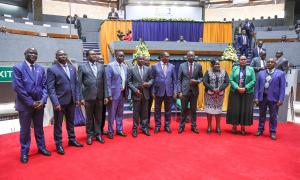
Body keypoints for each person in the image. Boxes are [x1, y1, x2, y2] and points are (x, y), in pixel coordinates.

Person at [12, 48, 51, 163]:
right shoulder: (18, 68)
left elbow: (45, 86)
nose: (33, 55)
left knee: (39, 128)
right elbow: (18, 88)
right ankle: (24, 152)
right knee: (25, 130)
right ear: (25, 54)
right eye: (31, 53)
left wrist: (43, 100)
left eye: (35, 53)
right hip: (25, 106)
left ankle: (42, 148)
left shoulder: (40, 68)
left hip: (39, 104)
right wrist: (31, 102)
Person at [47, 50, 83, 155]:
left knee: (70, 122)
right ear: (56, 57)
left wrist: (77, 98)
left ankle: (72, 140)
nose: (63, 56)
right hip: (59, 102)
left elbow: (76, 84)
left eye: (64, 54)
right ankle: (58, 144)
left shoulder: (72, 68)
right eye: (60, 55)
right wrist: (55, 103)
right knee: (58, 124)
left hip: (71, 100)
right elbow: (51, 88)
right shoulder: (52, 69)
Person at [78, 50, 108, 145]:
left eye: (95, 54)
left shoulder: (101, 66)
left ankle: (98, 134)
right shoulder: (82, 67)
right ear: (87, 56)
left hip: (100, 96)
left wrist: (106, 96)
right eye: (92, 54)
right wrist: (81, 97)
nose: (95, 55)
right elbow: (79, 84)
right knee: (89, 118)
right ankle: (90, 135)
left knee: (99, 117)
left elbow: (105, 82)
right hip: (88, 97)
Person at [254, 58, 286, 140]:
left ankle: (272, 131)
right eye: (268, 62)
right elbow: (257, 87)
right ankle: (260, 129)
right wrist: (256, 97)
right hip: (263, 97)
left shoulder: (281, 74)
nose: (270, 63)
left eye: (272, 62)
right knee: (261, 115)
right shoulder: (261, 73)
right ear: (266, 63)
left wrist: (281, 99)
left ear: (275, 64)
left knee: (273, 116)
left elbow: (282, 88)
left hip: (274, 98)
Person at [226, 55, 256, 135]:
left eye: (244, 59)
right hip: (235, 92)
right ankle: (234, 126)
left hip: (247, 92)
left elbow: (253, 80)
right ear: (239, 60)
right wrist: (237, 87)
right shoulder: (234, 68)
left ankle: (243, 126)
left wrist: (245, 88)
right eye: (241, 59)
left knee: (245, 109)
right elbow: (231, 79)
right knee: (235, 109)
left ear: (246, 60)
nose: (243, 61)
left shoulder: (251, 69)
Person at [177, 51, 203, 134]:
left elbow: (201, 77)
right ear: (187, 57)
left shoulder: (199, 66)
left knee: (193, 110)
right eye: (189, 56)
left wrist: (197, 81)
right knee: (183, 110)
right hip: (184, 91)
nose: (191, 57)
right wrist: (179, 91)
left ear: (195, 56)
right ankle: (181, 126)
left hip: (194, 91)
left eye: (192, 56)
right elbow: (179, 80)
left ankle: (194, 126)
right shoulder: (182, 66)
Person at [128, 55, 153, 137]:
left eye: (143, 59)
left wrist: (148, 83)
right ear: (137, 60)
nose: (142, 60)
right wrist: (135, 90)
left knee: (145, 112)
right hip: (136, 94)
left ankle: (144, 128)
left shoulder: (148, 69)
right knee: (136, 113)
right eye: (140, 59)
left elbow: (152, 79)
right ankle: (135, 128)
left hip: (146, 94)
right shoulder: (131, 69)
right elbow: (129, 82)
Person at [151, 52, 177, 134]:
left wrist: (175, 91)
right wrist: (152, 91)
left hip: (169, 91)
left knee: (168, 110)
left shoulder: (172, 66)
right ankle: (157, 126)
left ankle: (167, 126)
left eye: (169, 56)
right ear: (162, 57)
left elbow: (174, 81)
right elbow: (152, 79)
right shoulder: (155, 66)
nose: (168, 58)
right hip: (158, 92)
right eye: (167, 56)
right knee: (157, 110)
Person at [105, 51, 128, 139]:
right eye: (120, 56)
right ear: (115, 56)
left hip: (122, 93)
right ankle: (110, 131)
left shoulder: (125, 66)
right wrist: (109, 95)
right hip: (113, 94)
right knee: (112, 114)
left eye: (123, 56)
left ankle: (119, 130)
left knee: (120, 113)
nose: (122, 57)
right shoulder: (110, 66)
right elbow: (108, 81)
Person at [203, 59, 229, 134]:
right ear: (212, 65)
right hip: (209, 95)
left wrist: (219, 89)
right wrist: (212, 89)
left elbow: (227, 82)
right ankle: (209, 126)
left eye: (218, 64)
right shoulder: (208, 71)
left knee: (218, 111)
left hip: (219, 95)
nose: (217, 65)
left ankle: (218, 126)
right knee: (209, 111)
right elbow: (205, 82)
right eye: (215, 64)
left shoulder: (224, 71)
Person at [97, 55, 108, 135]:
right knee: (95, 115)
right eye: (100, 59)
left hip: (103, 96)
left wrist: (106, 96)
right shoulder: (94, 68)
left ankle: (101, 129)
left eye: (102, 59)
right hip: (94, 96)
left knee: (103, 113)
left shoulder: (105, 68)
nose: (101, 60)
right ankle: (95, 130)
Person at [144, 57, 153, 129]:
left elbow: (153, 79)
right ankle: (142, 123)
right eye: (146, 60)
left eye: (148, 60)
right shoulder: (140, 69)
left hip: (150, 92)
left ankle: (147, 123)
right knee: (142, 109)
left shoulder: (151, 69)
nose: (147, 62)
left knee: (148, 108)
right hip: (142, 91)